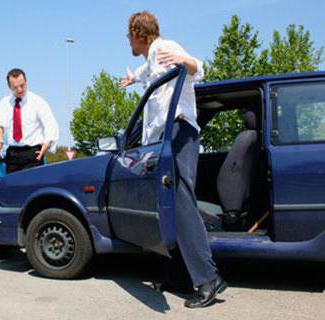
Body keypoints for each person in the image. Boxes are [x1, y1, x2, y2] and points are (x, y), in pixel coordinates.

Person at [119, 11, 227, 308]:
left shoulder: (167, 48)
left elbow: (199, 68)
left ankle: (208, 278)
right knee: (169, 207)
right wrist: (133, 78)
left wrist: (185, 62)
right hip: (165, 139)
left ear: (138, 34)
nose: (127, 41)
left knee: (181, 203)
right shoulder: (151, 59)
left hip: (179, 133)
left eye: (128, 36)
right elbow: (147, 74)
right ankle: (181, 276)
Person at [0, 68, 59, 174]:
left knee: (32, 188)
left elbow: (50, 124)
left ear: (26, 82)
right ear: (9, 87)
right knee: (13, 188)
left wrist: (46, 144)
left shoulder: (38, 102)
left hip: (33, 153)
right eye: (15, 87)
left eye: (22, 85)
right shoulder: (4, 103)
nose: (20, 90)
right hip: (12, 154)